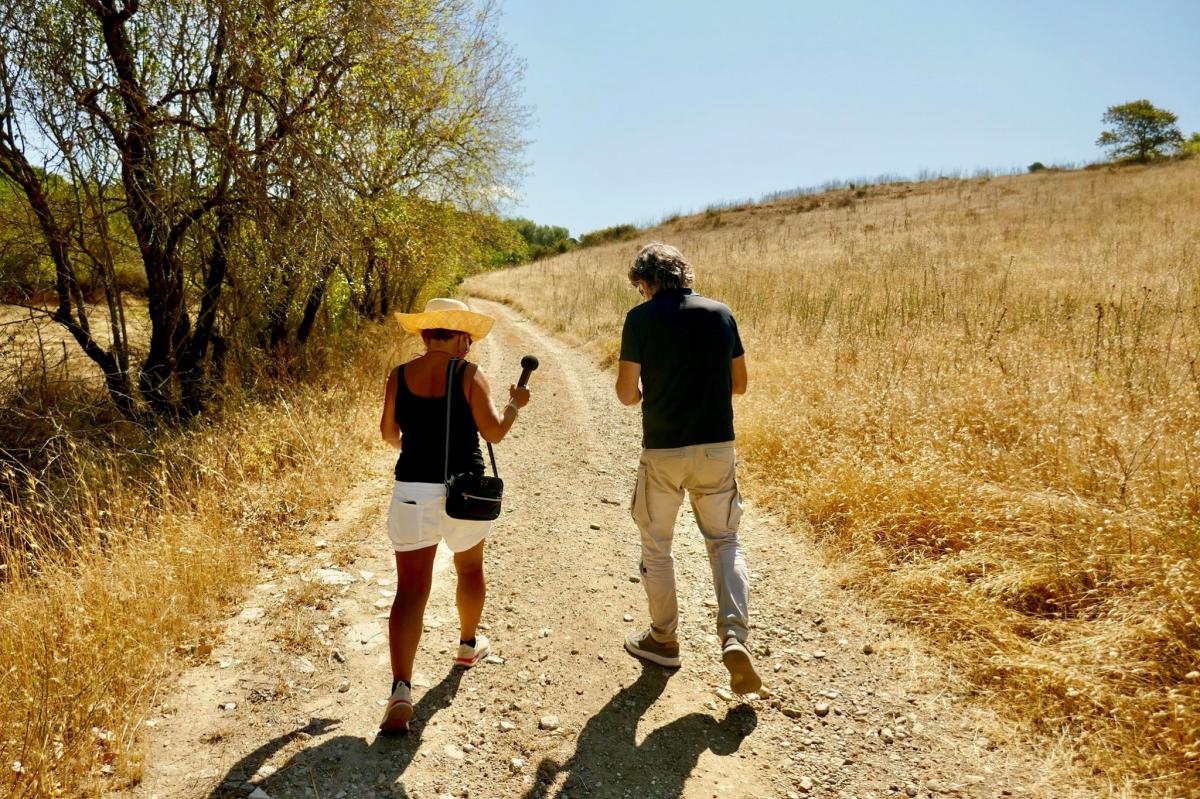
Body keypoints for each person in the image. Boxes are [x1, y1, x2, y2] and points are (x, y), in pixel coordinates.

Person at [378, 298, 531, 733]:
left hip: (412, 490)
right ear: (462, 338)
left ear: (426, 335)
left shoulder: (399, 375)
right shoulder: (467, 374)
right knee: (468, 568)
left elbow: (390, 434)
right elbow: (495, 431)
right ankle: (467, 645)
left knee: (410, 591)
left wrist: (416, 456)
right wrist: (516, 403)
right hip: (463, 492)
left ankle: (401, 689)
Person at [615, 243, 761, 694]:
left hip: (663, 450)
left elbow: (625, 394)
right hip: (718, 447)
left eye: (640, 286)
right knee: (724, 541)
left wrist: (645, 395)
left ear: (646, 281)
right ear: (684, 274)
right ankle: (734, 636)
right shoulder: (721, 313)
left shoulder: (640, 319)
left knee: (657, 547)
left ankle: (663, 640)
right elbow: (740, 384)